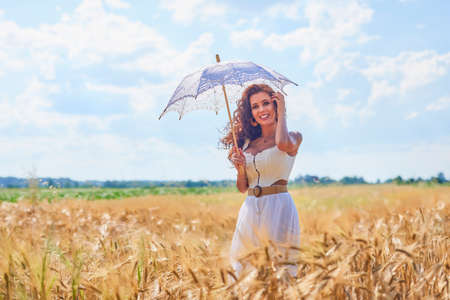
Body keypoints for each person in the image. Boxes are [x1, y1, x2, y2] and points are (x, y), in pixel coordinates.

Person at [221, 83, 302, 277]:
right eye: (255, 106)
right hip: (250, 209)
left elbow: (281, 144)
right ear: (251, 113)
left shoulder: (293, 137)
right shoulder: (247, 144)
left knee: (279, 270)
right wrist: (240, 169)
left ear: (275, 105)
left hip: (278, 207)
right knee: (246, 271)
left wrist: (282, 113)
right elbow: (242, 187)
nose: (261, 110)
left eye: (266, 103)